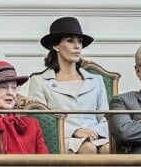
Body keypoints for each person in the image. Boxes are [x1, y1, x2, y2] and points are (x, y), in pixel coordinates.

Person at [28, 16, 110, 154]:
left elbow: (105, 119)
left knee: (108, 148)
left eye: (80, 41)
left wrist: (93, 132)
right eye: (70, 41)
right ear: (55, 46)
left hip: (96, 136)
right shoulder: (40, 81)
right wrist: (76, 132)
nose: (77, 46)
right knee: (87, 148)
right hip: (63, 139)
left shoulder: (96, 80)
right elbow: (40, 122)